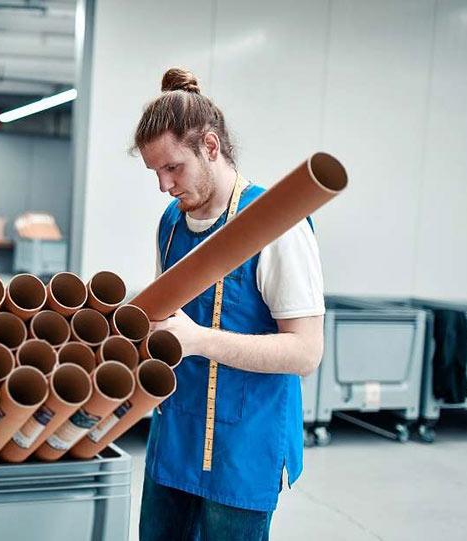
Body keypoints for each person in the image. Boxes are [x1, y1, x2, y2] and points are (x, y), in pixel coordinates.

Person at [134, 69, 325, 540]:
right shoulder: (171, 224)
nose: (163, 185)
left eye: (172, 168)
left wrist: (198, 341)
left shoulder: (276, 225)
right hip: (175, 436)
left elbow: (305, 353)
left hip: (245, 445)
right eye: (155, 172)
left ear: (211, 147)